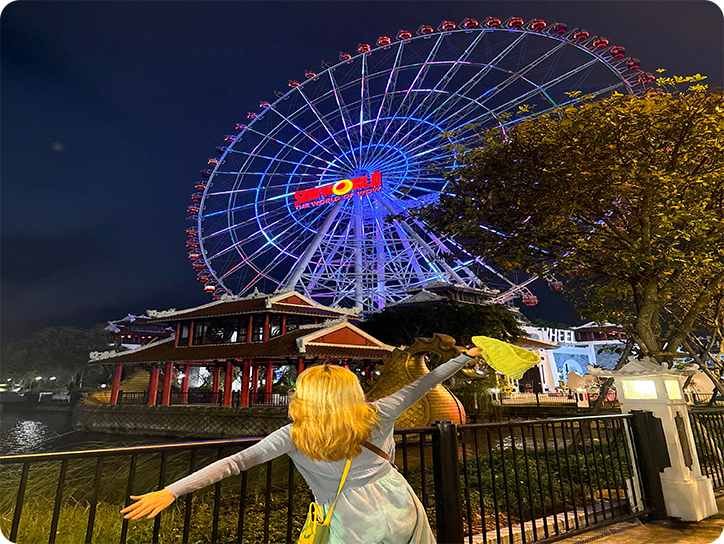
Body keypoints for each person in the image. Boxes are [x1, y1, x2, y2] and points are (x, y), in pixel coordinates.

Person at [121, 347, 482, 543]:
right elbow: (425, 382)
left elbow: (235, 462)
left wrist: (171, 490)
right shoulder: (380, 412)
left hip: (350, 519)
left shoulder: (294, 435)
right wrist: (466, 356)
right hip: (399, 501)